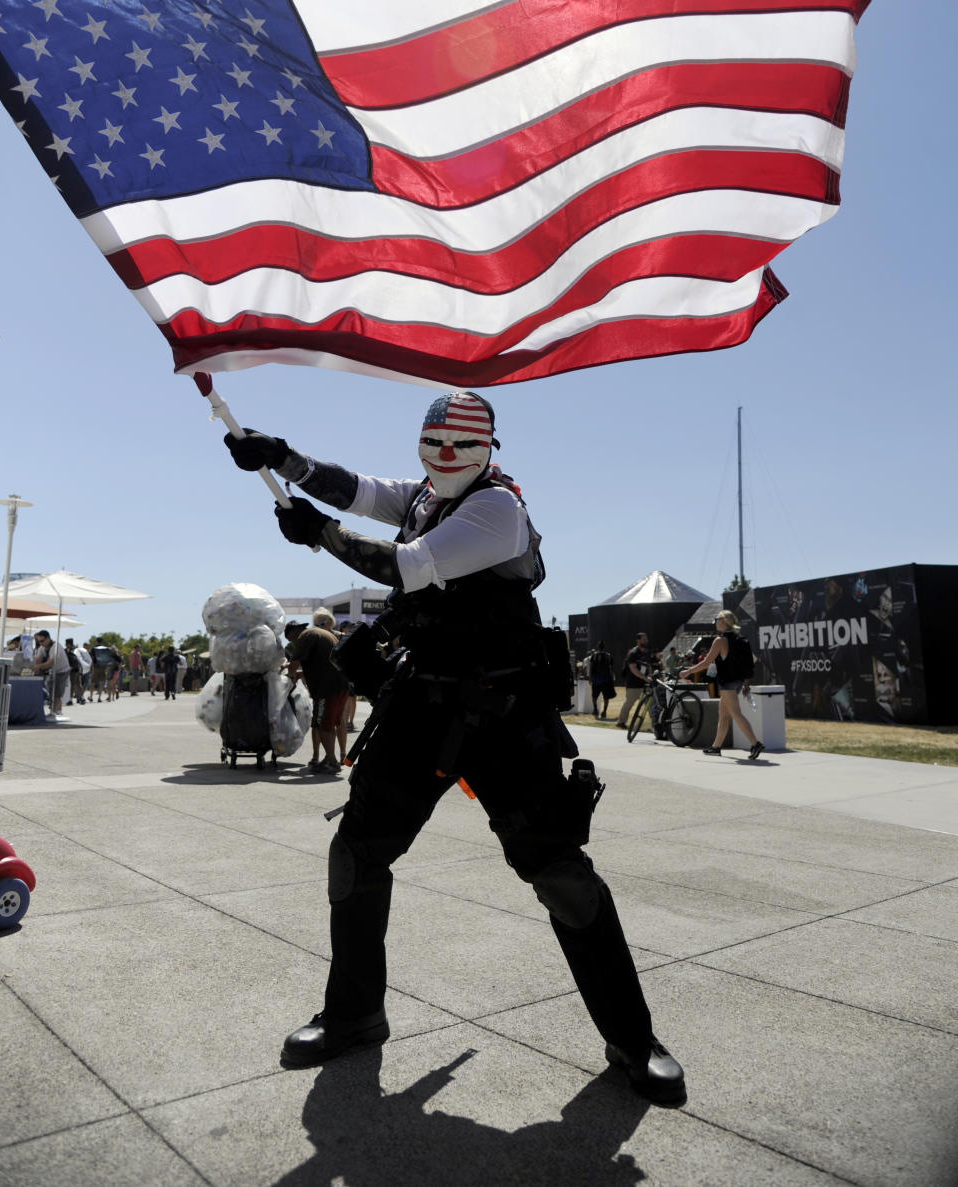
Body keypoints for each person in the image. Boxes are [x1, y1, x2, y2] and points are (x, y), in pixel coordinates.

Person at [224, 392, 684, 1104]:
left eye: (456, 444)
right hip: (421, 705)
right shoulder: (427, 497)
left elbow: (405, 566)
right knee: (357, 851)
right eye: (431, 440)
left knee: (558, 871)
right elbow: (361, 489)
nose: (442, 455)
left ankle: (633, 1036)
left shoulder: (498, 510)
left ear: (488, 448)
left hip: (502, 716)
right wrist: (284, 458)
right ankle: (354, 1014)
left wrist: (319, 532)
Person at [680, 610, 762, 759]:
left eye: (717, 619)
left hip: (727, 683)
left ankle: (755, 743)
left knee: (736, 714)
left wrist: (688, 672)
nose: (715, 622)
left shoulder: (720, 640)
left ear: (723, 621)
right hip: (737, 682)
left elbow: (705, 663)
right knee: (723, 715)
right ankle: (716, 747)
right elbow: (745, 663)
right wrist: (745, 683)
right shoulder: (739, 639)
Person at [286, 612, 351, 773]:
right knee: (329, 723)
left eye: (291, 640)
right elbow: (320, 662)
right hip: (341, 684)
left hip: (327, 688)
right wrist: (300, 674)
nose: (293, 644)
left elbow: (294, 664)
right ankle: (330, 758)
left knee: (323, 725)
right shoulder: (319, 633)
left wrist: (288, 679)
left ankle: (332, 761)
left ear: (293, 633)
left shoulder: (305, 636)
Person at [615, 633, 662, 735]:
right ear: (638, 640)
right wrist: (645, 678)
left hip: (645, 684)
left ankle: (654, 726)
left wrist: (650, 676)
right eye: (644, 639)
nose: (646, 641)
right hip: (633, 684)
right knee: (629, 704)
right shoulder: (633, 653)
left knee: (650, 705)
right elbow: (633, 669)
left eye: (646, 639)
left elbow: (648, 666)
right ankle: (621, 722)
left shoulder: (646, 653)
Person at [33, 630, 71, 715]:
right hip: (53, 671)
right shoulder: (42, 648)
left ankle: (54, 712)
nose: (41, 643)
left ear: (48, 638)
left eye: (42, 641)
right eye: (39, 641)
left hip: (62, 671)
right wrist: (29, 663)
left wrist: (38, 666)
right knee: (50, 691)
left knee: (57, 693)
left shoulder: (55, 647)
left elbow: (51, 662)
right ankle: (59, 711)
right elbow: (37, 659)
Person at [587, 640, 615, 719]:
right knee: (606, 697)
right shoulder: (609, 656)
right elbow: (612, 668)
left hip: (596, 680)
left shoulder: (594, 655)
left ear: (598, 647)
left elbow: (591, 668)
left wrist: (590, 678)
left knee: (594, 696)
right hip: (606, 680)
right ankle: (604, 712)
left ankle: (595, 709)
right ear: (604, 647)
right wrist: (613, 676)